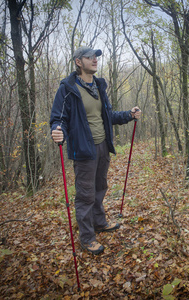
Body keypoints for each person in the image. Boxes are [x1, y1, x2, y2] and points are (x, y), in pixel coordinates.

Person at [50, 46, 141, 255]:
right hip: (83, 150)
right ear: (78, 62)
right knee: (85, 195)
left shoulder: (99, 87)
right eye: (90, 57)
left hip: (102, 147)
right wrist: (57, 130)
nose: (95, 60)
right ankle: (87, 238)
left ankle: (99, 222)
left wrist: (129, 114)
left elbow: (109, 116)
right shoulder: (68, 88)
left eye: (96, 57)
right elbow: (58, 118)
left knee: (100, 187)